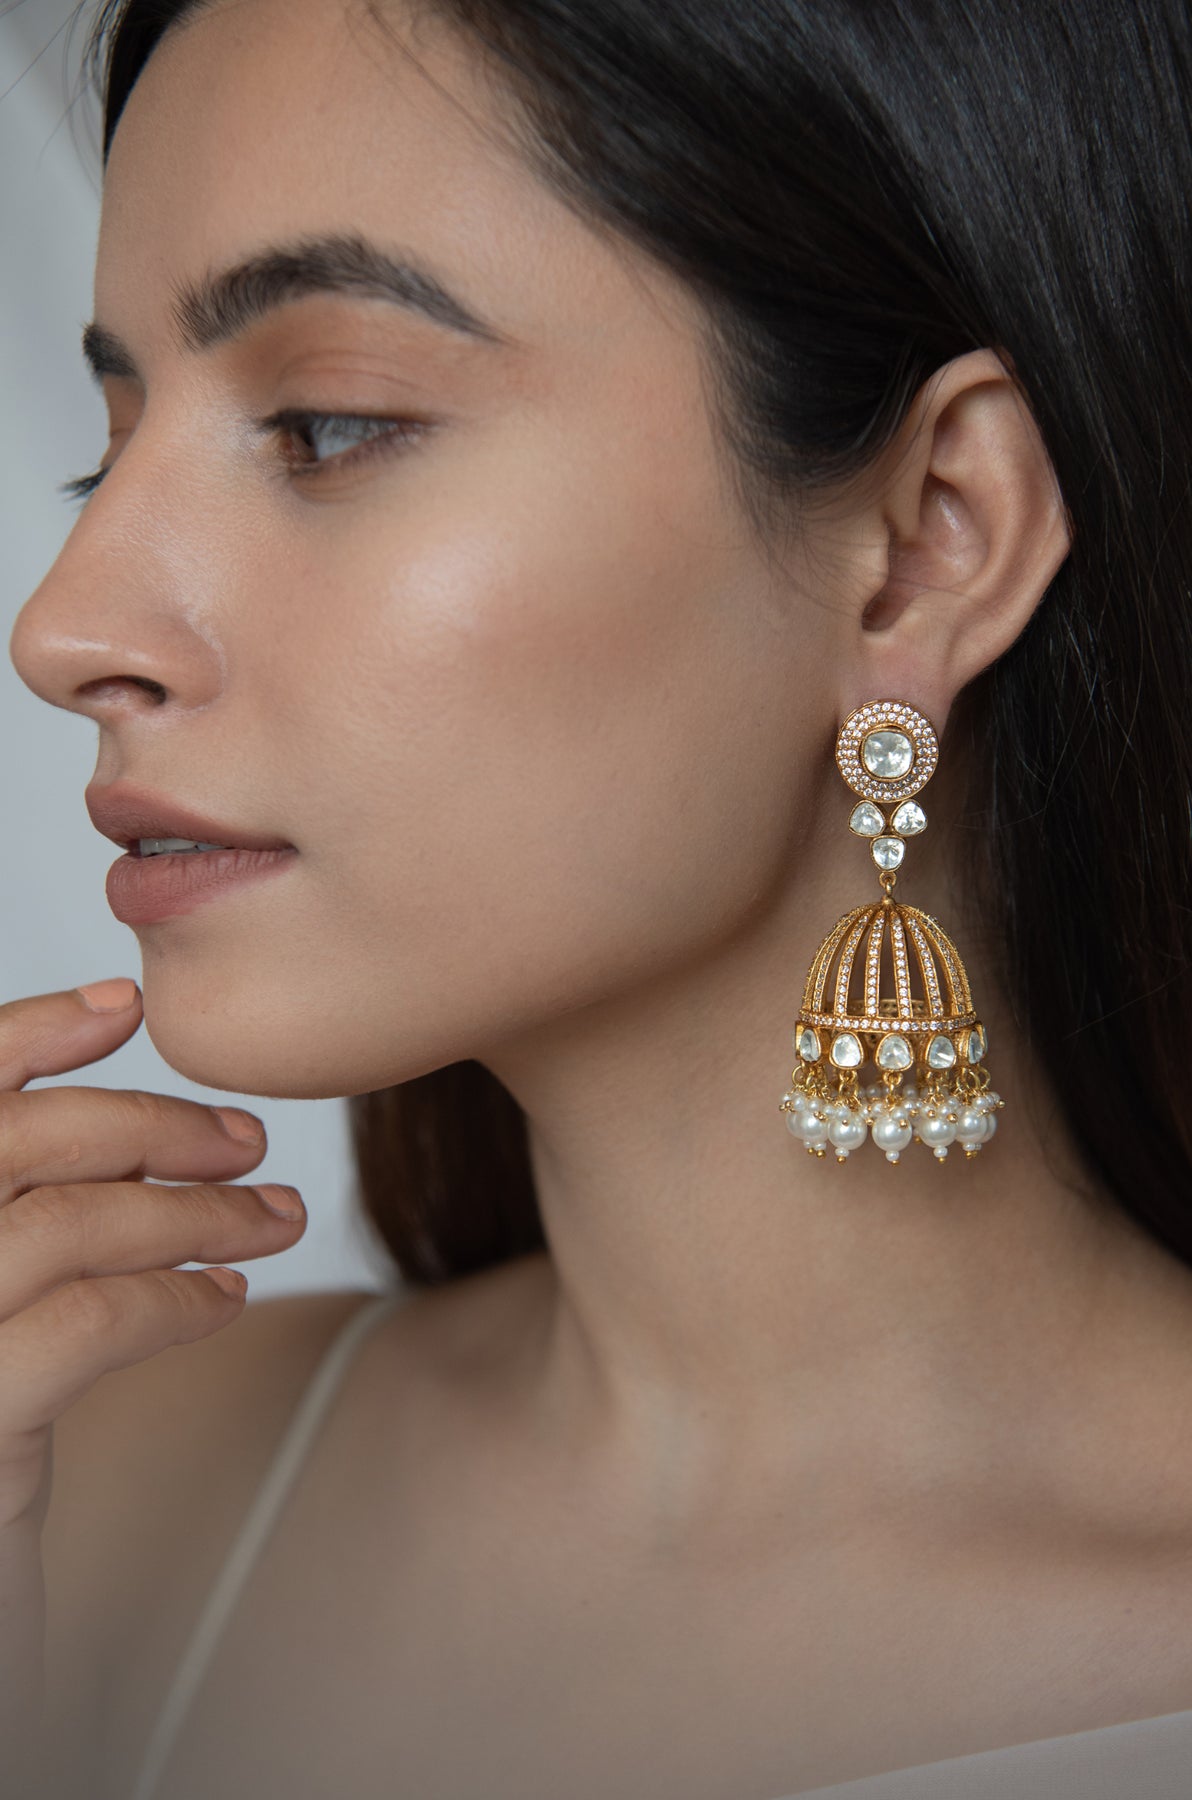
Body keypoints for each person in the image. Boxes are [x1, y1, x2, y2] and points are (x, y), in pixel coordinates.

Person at [3, 0, 1192, 1794]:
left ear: (931, 539)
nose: (65, 629)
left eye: (328, 425)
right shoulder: (85, 1490)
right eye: (112, 444)